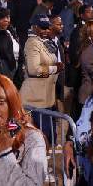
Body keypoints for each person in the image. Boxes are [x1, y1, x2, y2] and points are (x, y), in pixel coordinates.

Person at [21, 15, 61, 143]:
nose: (46, 31)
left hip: (46, 98)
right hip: (34, 99)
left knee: (49, 139)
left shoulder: (45, 42)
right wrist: (54, 69)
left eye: (47, 28)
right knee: (42, 140)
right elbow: (34, 70)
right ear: (34, 27)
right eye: (42, 28)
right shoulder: (32, 43)